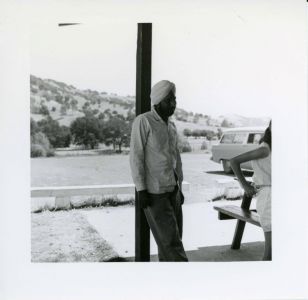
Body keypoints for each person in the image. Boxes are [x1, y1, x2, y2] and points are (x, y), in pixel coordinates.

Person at [129, 80, 188, 262]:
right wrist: (141, 190)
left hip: (173, 192)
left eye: (174, 99)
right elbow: (136, 157)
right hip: (155, 194)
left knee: (170, 244)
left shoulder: (171, 126)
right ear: (158, 100)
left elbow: (175, 157)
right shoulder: (143, 121)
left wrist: (179, 187)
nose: (173, 104)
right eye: (169, 100)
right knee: (172, 246)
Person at [230, 121, 272, 260]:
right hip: (268, 196)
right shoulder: (265, 149)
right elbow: (234, 161)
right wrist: (245, 185)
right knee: (270, 249)